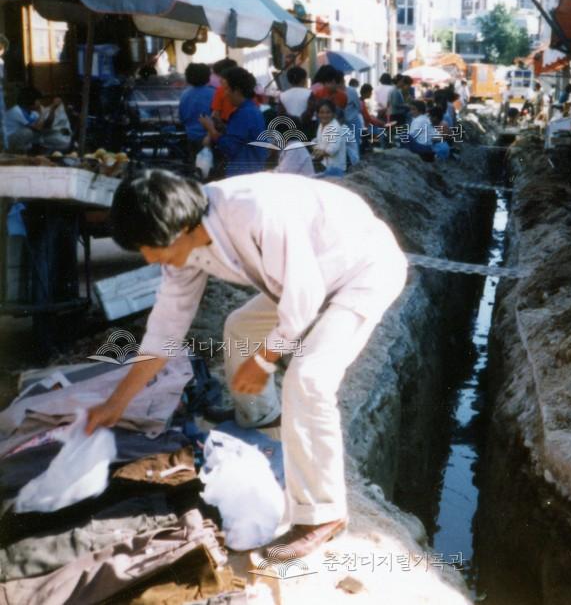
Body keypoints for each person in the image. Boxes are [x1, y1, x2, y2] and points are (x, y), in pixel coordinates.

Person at [88, 169, 408, 559]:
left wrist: (265, 360)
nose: (149, 257)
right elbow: (165, 331)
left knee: (309, 379)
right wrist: (117, 403)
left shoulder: (256, 211)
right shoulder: (181, 245)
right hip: (305, 275)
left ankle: (322, 515)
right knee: (240, 326)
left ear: (179, 227)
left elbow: (302, 302)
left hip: (363, 268)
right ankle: (262, 419)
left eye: (149, 246)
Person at [205, 67, 268, 177]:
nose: (225, 94)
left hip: (243, 174)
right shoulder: (250, 110)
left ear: (237, 91)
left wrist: (211, 130)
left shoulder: (244, 113)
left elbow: (229, 147)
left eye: (227, 89)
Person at [3, 87, 71, 153]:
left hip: (20, 139)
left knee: (48, 132)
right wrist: (43, 112)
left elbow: (47, 125)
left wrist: (52, 110)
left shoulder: (32, 112)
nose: (39, 103)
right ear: (30, 100)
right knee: (28, 132)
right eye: (38, 100)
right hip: (8, 141)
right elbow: (38, 128)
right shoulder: (16, 111)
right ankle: (18, 151)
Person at [179, 63, 215, 158]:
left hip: (191, 137)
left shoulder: (184, 95)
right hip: (210, 138)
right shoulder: (213, 93)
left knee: (195, 167)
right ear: (207, 76)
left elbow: (181, 117)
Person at [310, 98, 345, 178]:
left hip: (335, 167)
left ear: (333, 114)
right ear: (317, 114)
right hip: (325, 165)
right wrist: (316, 148)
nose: (324, 115)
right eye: (321, 112)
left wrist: (318, 152)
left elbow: (332, 149)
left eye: (328, 112)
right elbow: (319, 141)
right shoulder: (321, 124)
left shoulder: (334, 127)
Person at [359, 83, 393, 149]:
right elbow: (368, 118)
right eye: (371, 92)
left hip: (364, 125)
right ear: (367, 92)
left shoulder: (361, 102)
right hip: (365, 127)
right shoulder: (362, 103)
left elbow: (368, 117)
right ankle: (383, 149)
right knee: (382, 132)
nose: (371, 94)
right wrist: (380, 123)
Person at [342, 77, 362, 168]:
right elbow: (358, 107)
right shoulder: (351, 91)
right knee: (352, 144)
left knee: (352, 144)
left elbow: (358, 106)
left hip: (350, 121)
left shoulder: (351, 91)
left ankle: (354, 165)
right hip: (349, 120)